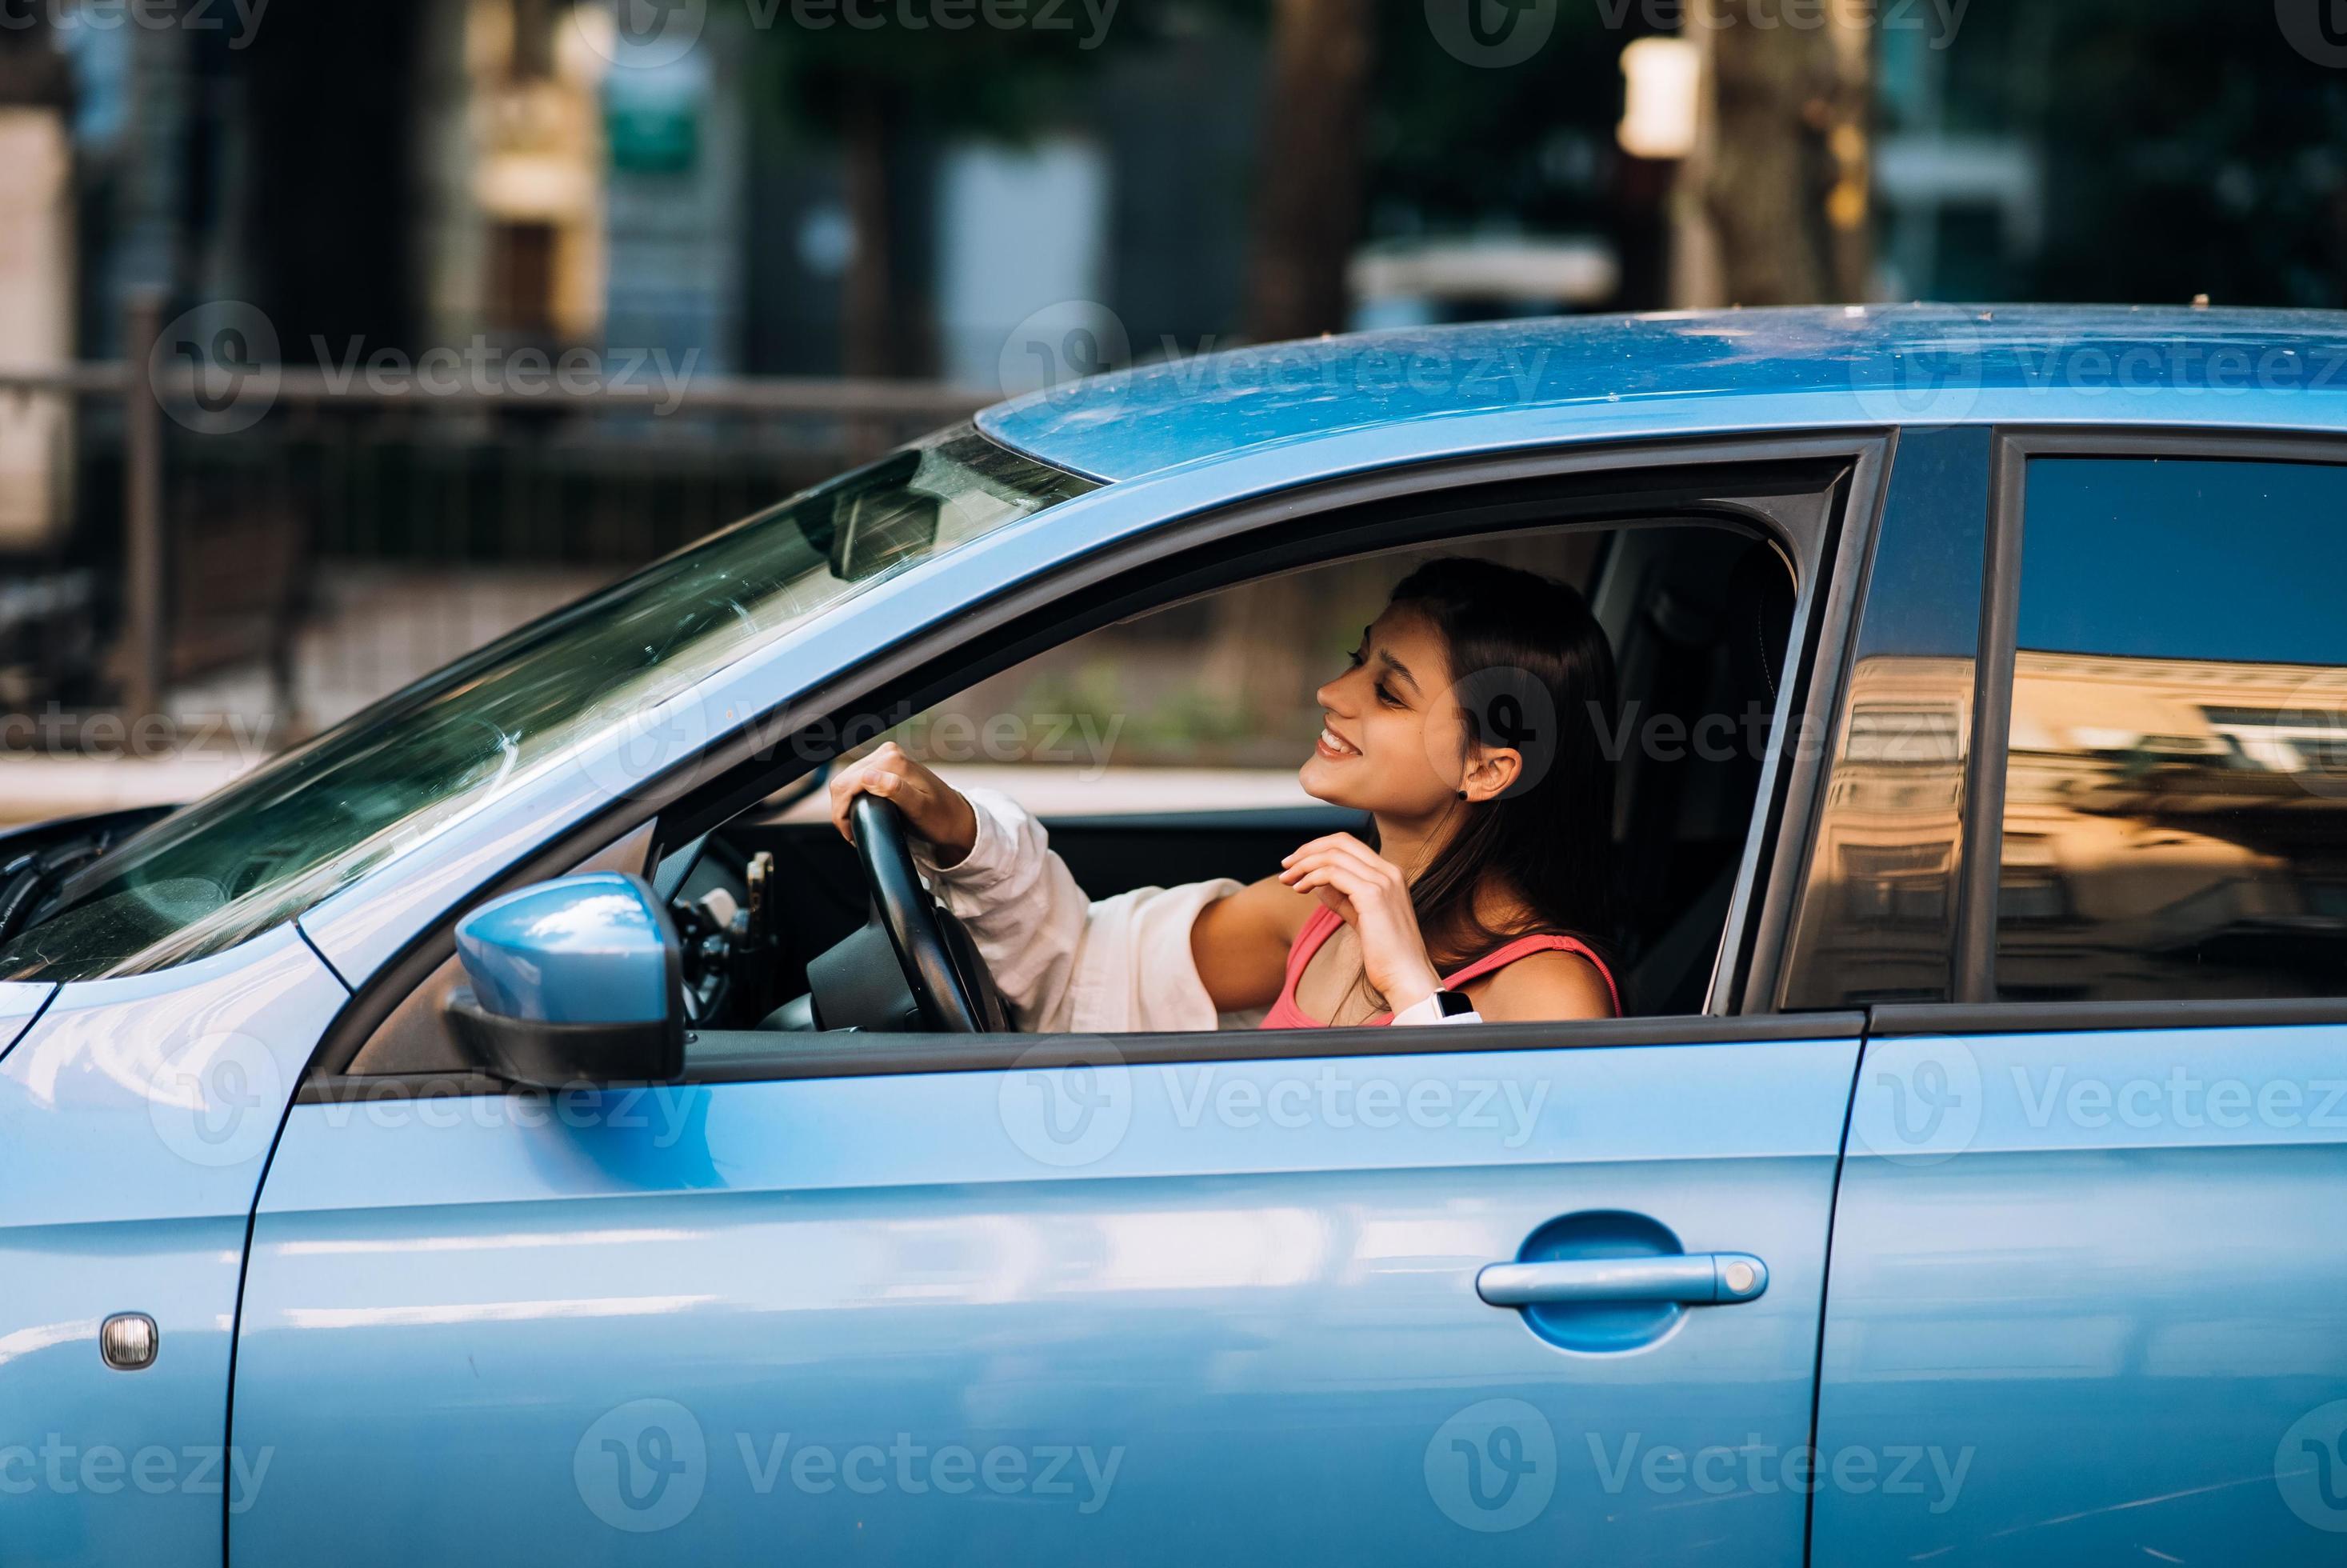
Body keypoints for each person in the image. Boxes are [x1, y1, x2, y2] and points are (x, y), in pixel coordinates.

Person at [827, 556, 1620, 1032]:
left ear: (1487, 768)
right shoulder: (1311, 913)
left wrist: (1413, 985)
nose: (1330, 691)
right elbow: (1085, 978)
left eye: (1389, 693)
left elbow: (1514, 1192)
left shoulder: (1550, 985)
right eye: (1356, 658)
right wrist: (963, 830)